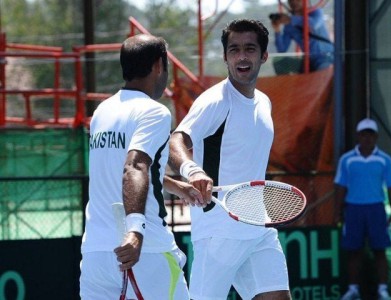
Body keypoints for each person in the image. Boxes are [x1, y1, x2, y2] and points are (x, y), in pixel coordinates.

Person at [168, 19, 291, 300]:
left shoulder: (264, 102)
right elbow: (177, 140)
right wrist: (192, 171)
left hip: (258, 228)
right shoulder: (215, 101)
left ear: (264, 56)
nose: (242, 56)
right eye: (234, 50)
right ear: (225, 57)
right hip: (218, 233)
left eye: (250, 49)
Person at [80, 34, 197, 299]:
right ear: (159, 65)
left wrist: (175, 186)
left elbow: (118, 166)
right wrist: (135, 232)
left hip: (96, 256)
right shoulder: (155, 112)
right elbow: (135, 166)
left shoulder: (102, 111)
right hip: (144, 252)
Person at [334, 118, 391, 300]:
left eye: (370, 134)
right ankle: (353, 289)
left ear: (376, 137)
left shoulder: (385, 160)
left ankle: (383, 289)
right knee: (354, 251)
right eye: (364, 134)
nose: (367, 138)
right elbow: (340, 186)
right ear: (358, 136)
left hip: (376, 209)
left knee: (380, 251)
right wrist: (337, 212)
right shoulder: (347, 160)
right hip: (353, 210)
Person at [269, 0, 333, 73]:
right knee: (280, 63)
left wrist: (291, 19)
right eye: (290, 1)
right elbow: (282, 49)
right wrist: (277, 30)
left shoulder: (316, 12)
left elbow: (313, 25)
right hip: (308, 61)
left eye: (298, 0)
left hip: (325, 57)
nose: (293, 2)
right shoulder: (289, 25)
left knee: (323, 72)